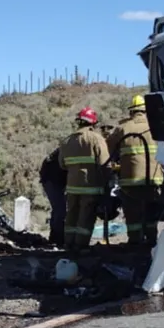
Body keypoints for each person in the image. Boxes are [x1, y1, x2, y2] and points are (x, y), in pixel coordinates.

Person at [106, 95, 164, 247]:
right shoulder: (157, 126)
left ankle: (135, 241)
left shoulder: (123, 128)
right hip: (154, 178)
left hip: (130, 180)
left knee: (133, 213)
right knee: (151, 211)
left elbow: (108, 150)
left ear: (132, 111)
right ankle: (152, 240)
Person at [58, 106, 110, 253]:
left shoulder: (67, 141)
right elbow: (104, 163)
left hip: (72, 186)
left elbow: (62, 164)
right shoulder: (96, 138)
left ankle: (68, 243)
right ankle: (81, 245)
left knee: (72, 215)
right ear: (93, 123)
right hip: (90, 186)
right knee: (85, 217)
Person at [39, 148, 67, 247]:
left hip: (51, 178)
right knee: (60, 209)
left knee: (58, 209)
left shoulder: (67, 147)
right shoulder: (71, 149)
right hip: (52, 179)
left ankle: (55, 237)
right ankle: (58, 238)